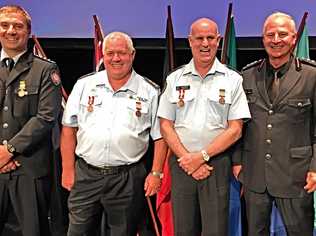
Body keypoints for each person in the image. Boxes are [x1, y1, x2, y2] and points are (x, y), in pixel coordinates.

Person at [60, 31, 167, 236]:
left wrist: (156, 173)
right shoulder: (84, 85)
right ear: (102, 54)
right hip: (86, 174)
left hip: (127, 178)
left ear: (132, 55)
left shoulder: (150, 91)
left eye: (122, 53)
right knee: (78, 232)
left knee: (122, 232)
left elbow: (160, 137)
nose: (116, 58)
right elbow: (68, 129)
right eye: (110, 53)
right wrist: (67, 169)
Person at [157, 18, 251, 236]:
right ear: (190, 41)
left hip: (215, 165)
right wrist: (187, 159)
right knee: (183, 229)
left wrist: (202, 156)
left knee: (216, 230)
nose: (205, 44)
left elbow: (236, 128)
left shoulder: (233, 79)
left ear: (218, 40)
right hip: (182, 164)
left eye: (210, 38)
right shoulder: (175, 78)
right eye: (199, 38)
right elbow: (165, 125)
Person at [235, 12, 316, 235]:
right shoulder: (247, 75)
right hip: (255, 174)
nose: (276, 40)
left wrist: (315, 168)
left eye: (282, 34)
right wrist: (237, 161)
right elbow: (237, 125)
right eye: (270, 34)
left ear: (294, 39)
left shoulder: (311, 75)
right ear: (263, 40)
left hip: (296, 175)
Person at [0, 4, 62, 236]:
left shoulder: (45, 69)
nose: (11, 31)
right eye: (4, 25)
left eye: (17, 26)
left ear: (28, 32)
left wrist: (9, 151)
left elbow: (45, 118)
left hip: (29, 169)